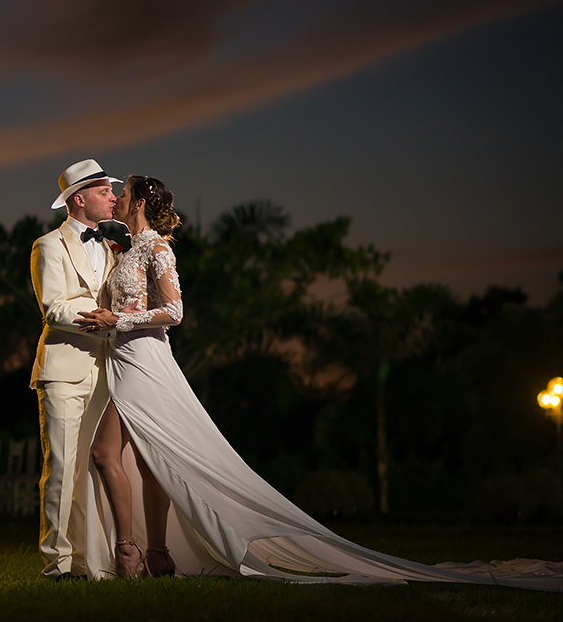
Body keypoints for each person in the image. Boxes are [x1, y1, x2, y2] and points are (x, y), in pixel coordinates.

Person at [74, 175, 562, 590]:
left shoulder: (157, 248)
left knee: (117, 454)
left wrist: (119, 320)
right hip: (124, 358)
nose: (115, 197)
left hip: (145, 361)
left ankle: (135, 550)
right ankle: (155, 554)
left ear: (140, 202)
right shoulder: (127, 250)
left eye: (123, 192)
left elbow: (176, 311)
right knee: (148, 458)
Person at [29, 159, 120, 580]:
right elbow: (54, 307)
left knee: (91, 470)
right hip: (63, 370)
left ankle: (88, 561)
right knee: (63, 467)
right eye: (105, 192)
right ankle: (57, 563)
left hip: (106, 371)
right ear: (79, 199)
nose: (114, 198)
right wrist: (104, 319)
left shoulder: (112, 247)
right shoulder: (47, 245)